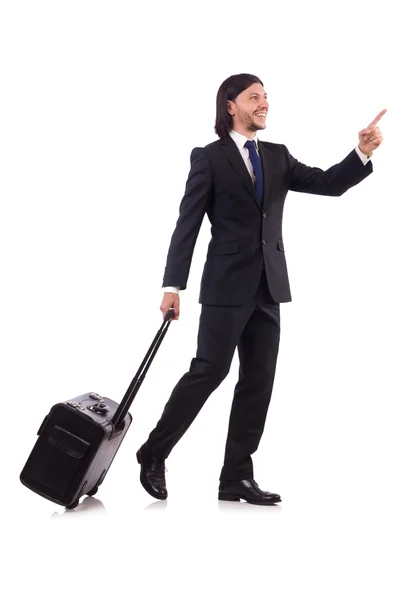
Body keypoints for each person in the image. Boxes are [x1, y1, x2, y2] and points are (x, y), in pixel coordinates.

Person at [136, 73, 386, 505]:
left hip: (269, 286)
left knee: (258, 381)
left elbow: (328, 184)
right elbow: (188, 225)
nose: (264, 103)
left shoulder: (276, 156)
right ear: (231, 106)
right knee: (208, 372)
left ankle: (236, 478)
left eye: (266, 97)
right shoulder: (209, 158)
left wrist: (361, 153)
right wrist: (173, 285)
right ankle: (153, 451)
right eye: (254, 97)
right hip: (225, 287)